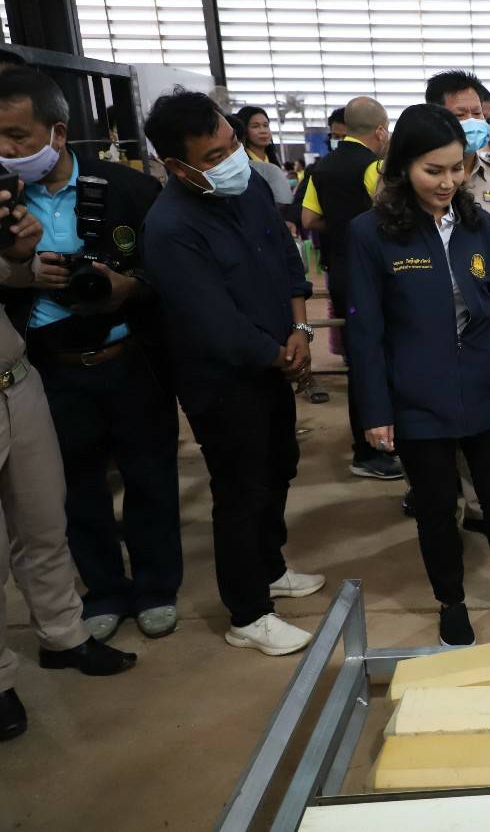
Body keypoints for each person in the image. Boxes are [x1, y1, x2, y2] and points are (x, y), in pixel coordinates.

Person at [345, 103, 490, 648]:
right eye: (432, 170)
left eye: (456, 168)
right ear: (402, 167)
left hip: (483, 384)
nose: (447, 182)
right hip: (416, 393)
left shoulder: (479, 225)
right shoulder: (370, 234)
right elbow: (365, 331)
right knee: (436, 508)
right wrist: (375, 410)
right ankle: (451, 601)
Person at [0, 68, 182, 643]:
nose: (6, 150)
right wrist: (23, 272)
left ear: (57, 132)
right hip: (50, 370)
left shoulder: (128, 189)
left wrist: (128, 285)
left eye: (17, 136)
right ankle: (103, 589)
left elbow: (171, 271)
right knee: (75, 489)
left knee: (150, 477)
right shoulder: (4, 204)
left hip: (130, 360)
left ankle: (156, 587)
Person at [143, 89, 325, 656]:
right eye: (214, 157)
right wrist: (282, 355)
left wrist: (301, 329)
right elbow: (214, 324)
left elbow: (289, 261)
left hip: (275, 360)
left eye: (232, 144)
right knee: (241, 489)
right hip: (223, 383)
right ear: (178, 167)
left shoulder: (248, 189)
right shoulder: (170, 227)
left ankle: (269, 567)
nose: (232, 161)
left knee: (279, 467)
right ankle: (247, 613)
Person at [0, 180, 138, 742]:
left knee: (44, 521)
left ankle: (63, 635)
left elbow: (17, 280)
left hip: (16, 380)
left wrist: (19, 256)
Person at [423, 70, 490, 530]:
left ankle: (479, 500)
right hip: (429, 329)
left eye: (477, 112)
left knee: (485, 418)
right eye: (460, 113)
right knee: (434, 426)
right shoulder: (402, 178)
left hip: (484, 326)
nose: (472, 121)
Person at [299, 96, 401, 481]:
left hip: (342, 274)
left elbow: (309, 219)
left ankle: (366, 448)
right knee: (387, 358)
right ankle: (380, 448)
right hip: (379, 275)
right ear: (380, 131)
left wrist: (342, 228)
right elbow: (391, 216)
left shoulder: (321, 168)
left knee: (361, 360)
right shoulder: (374, 167)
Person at [227, 113, 293, 206]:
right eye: (255, 126)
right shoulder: (244, 167)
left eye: (266, 125)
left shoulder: (274, 162)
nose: (263, 131)